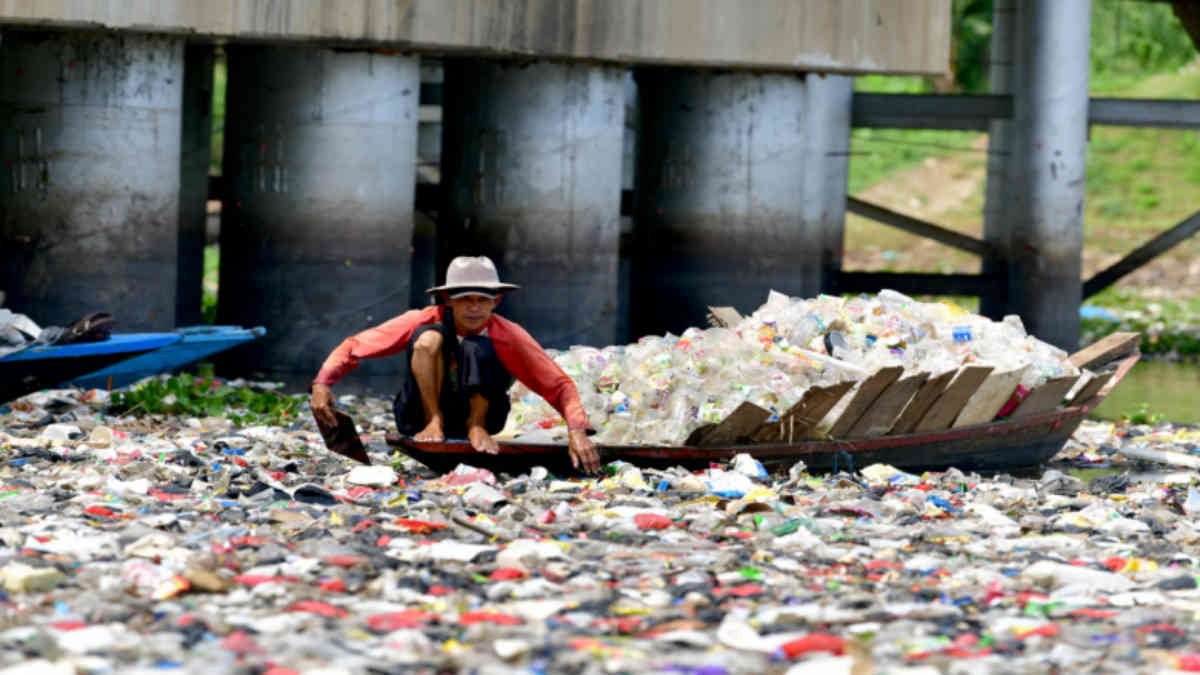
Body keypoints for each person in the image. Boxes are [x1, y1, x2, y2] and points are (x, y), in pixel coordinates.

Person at [309, 256, 601, 474]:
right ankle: (433, 421)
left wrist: (576, 430)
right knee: (427, 339)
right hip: (418, 415)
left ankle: (476, 426)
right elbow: (354, 346)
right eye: (465, 300)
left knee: (479, 345)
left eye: (481, 300)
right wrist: (323, 384)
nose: (474, 308)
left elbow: (557, 383)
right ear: (449, 300)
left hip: (485, 417)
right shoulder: (424, 318)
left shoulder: (508, 334)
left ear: (495, 301)